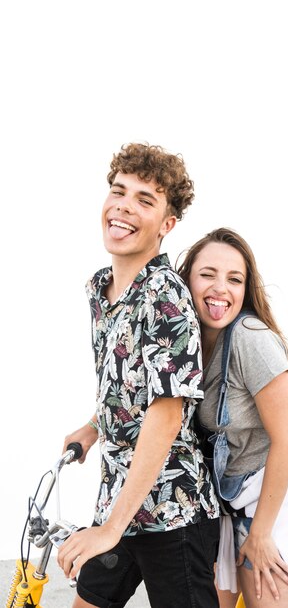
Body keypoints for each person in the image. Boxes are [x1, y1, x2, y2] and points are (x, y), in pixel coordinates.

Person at [57, 143, 220, 608]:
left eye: (145, 200)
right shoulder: (100, 290)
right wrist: (94, 425)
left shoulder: (164, 298)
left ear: (167, 225)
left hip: (172, 509)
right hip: (122, 498)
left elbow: (166, 415)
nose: (125, 206)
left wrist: (108, 530)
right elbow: (130, 380)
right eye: (119, 192)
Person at [178, 227, 288, 608]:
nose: (221, 288)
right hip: (231, 503)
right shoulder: (185, 339)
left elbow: (287, 440)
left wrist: (262, 534)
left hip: (278, 503)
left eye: (235, 279)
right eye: (207, 274)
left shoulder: (251, 339)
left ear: (246, 290)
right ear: (186, 280)